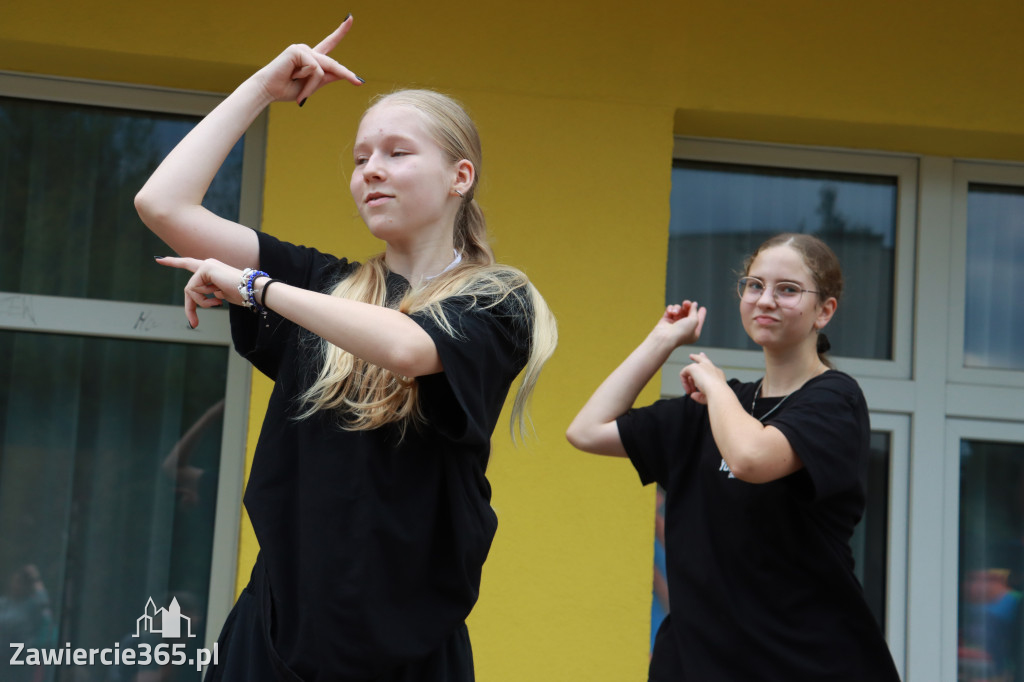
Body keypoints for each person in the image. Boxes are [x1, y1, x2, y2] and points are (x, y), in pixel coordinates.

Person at [134, 15, 557, 682]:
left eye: (396, 152)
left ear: (460, 176)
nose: (370, 172)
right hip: (274, 636)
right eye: (360, 158)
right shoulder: (322, 284)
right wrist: (261, 89)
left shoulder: (498, 302)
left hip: (408, 648)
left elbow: (411, 348)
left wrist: (255, 288)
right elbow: (163, 203)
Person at [566, 233, 900, 681]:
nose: (765, 300)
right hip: (695, 662)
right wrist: (662, 341)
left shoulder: (834, 399)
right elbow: (586, 430)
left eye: (787, 289)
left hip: (802, 662)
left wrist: (717, 387)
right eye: (754, 285)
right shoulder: (712, 409)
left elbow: (750, 458)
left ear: (825, 311)